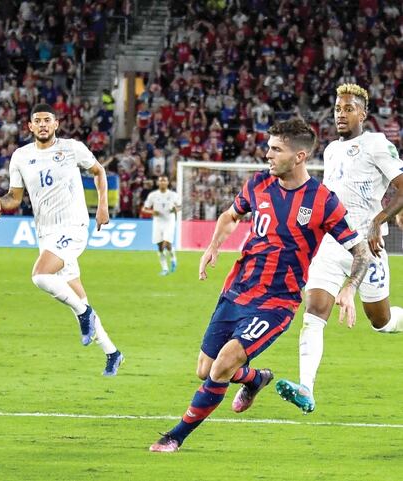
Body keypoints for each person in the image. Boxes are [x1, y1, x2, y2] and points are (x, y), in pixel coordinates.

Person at [149, 119, 371, 453]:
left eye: (276, 149)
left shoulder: (323, 200)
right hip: (237, 291)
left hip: (276, 303)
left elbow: (361, 252)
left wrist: (350, 287)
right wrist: (213, 247)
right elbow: (230, 216)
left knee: (224, 364)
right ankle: (256, 379)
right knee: (205, 370)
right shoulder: (258, 184)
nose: (267, 154)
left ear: (299, 156)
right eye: (269, 147)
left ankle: (175, 436)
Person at [276, 84, 403, 413]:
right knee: (314, 312)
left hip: (368, 247)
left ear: (363, 113)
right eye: (337, 108)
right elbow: (327, 199)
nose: (341, 114)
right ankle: (306, 388)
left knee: (380, 320)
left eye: (348, 108)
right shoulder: (331, 150)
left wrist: (379, 219)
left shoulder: (377, 144)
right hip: (332, 244)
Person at [0, 103, 124, 376]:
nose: (42, 125)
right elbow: (15, 197)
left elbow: (98, 171)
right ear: (30, 126)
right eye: (37, 121)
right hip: (46, 233)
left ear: (56, 124)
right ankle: (112, 352)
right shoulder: (21, 156)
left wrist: (103, 207)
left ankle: (85, 314)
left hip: (73, 226)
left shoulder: (72, 148)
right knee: (77, 296)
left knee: (40, 276)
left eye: (47, 120)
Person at [140, 175, 181, 275]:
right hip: (158, 222)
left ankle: (172, 259)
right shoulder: (153, 195)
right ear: (158, 183)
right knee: (160, 246)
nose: (162, 182)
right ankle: (165, 268)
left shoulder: (173, 195)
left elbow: (179, 207)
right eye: (161, 181)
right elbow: (144, 209)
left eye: (164, 181)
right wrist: (152, 212)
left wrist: (175, 210)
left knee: (166, 243)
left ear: (167, 183)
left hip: (169, 221)